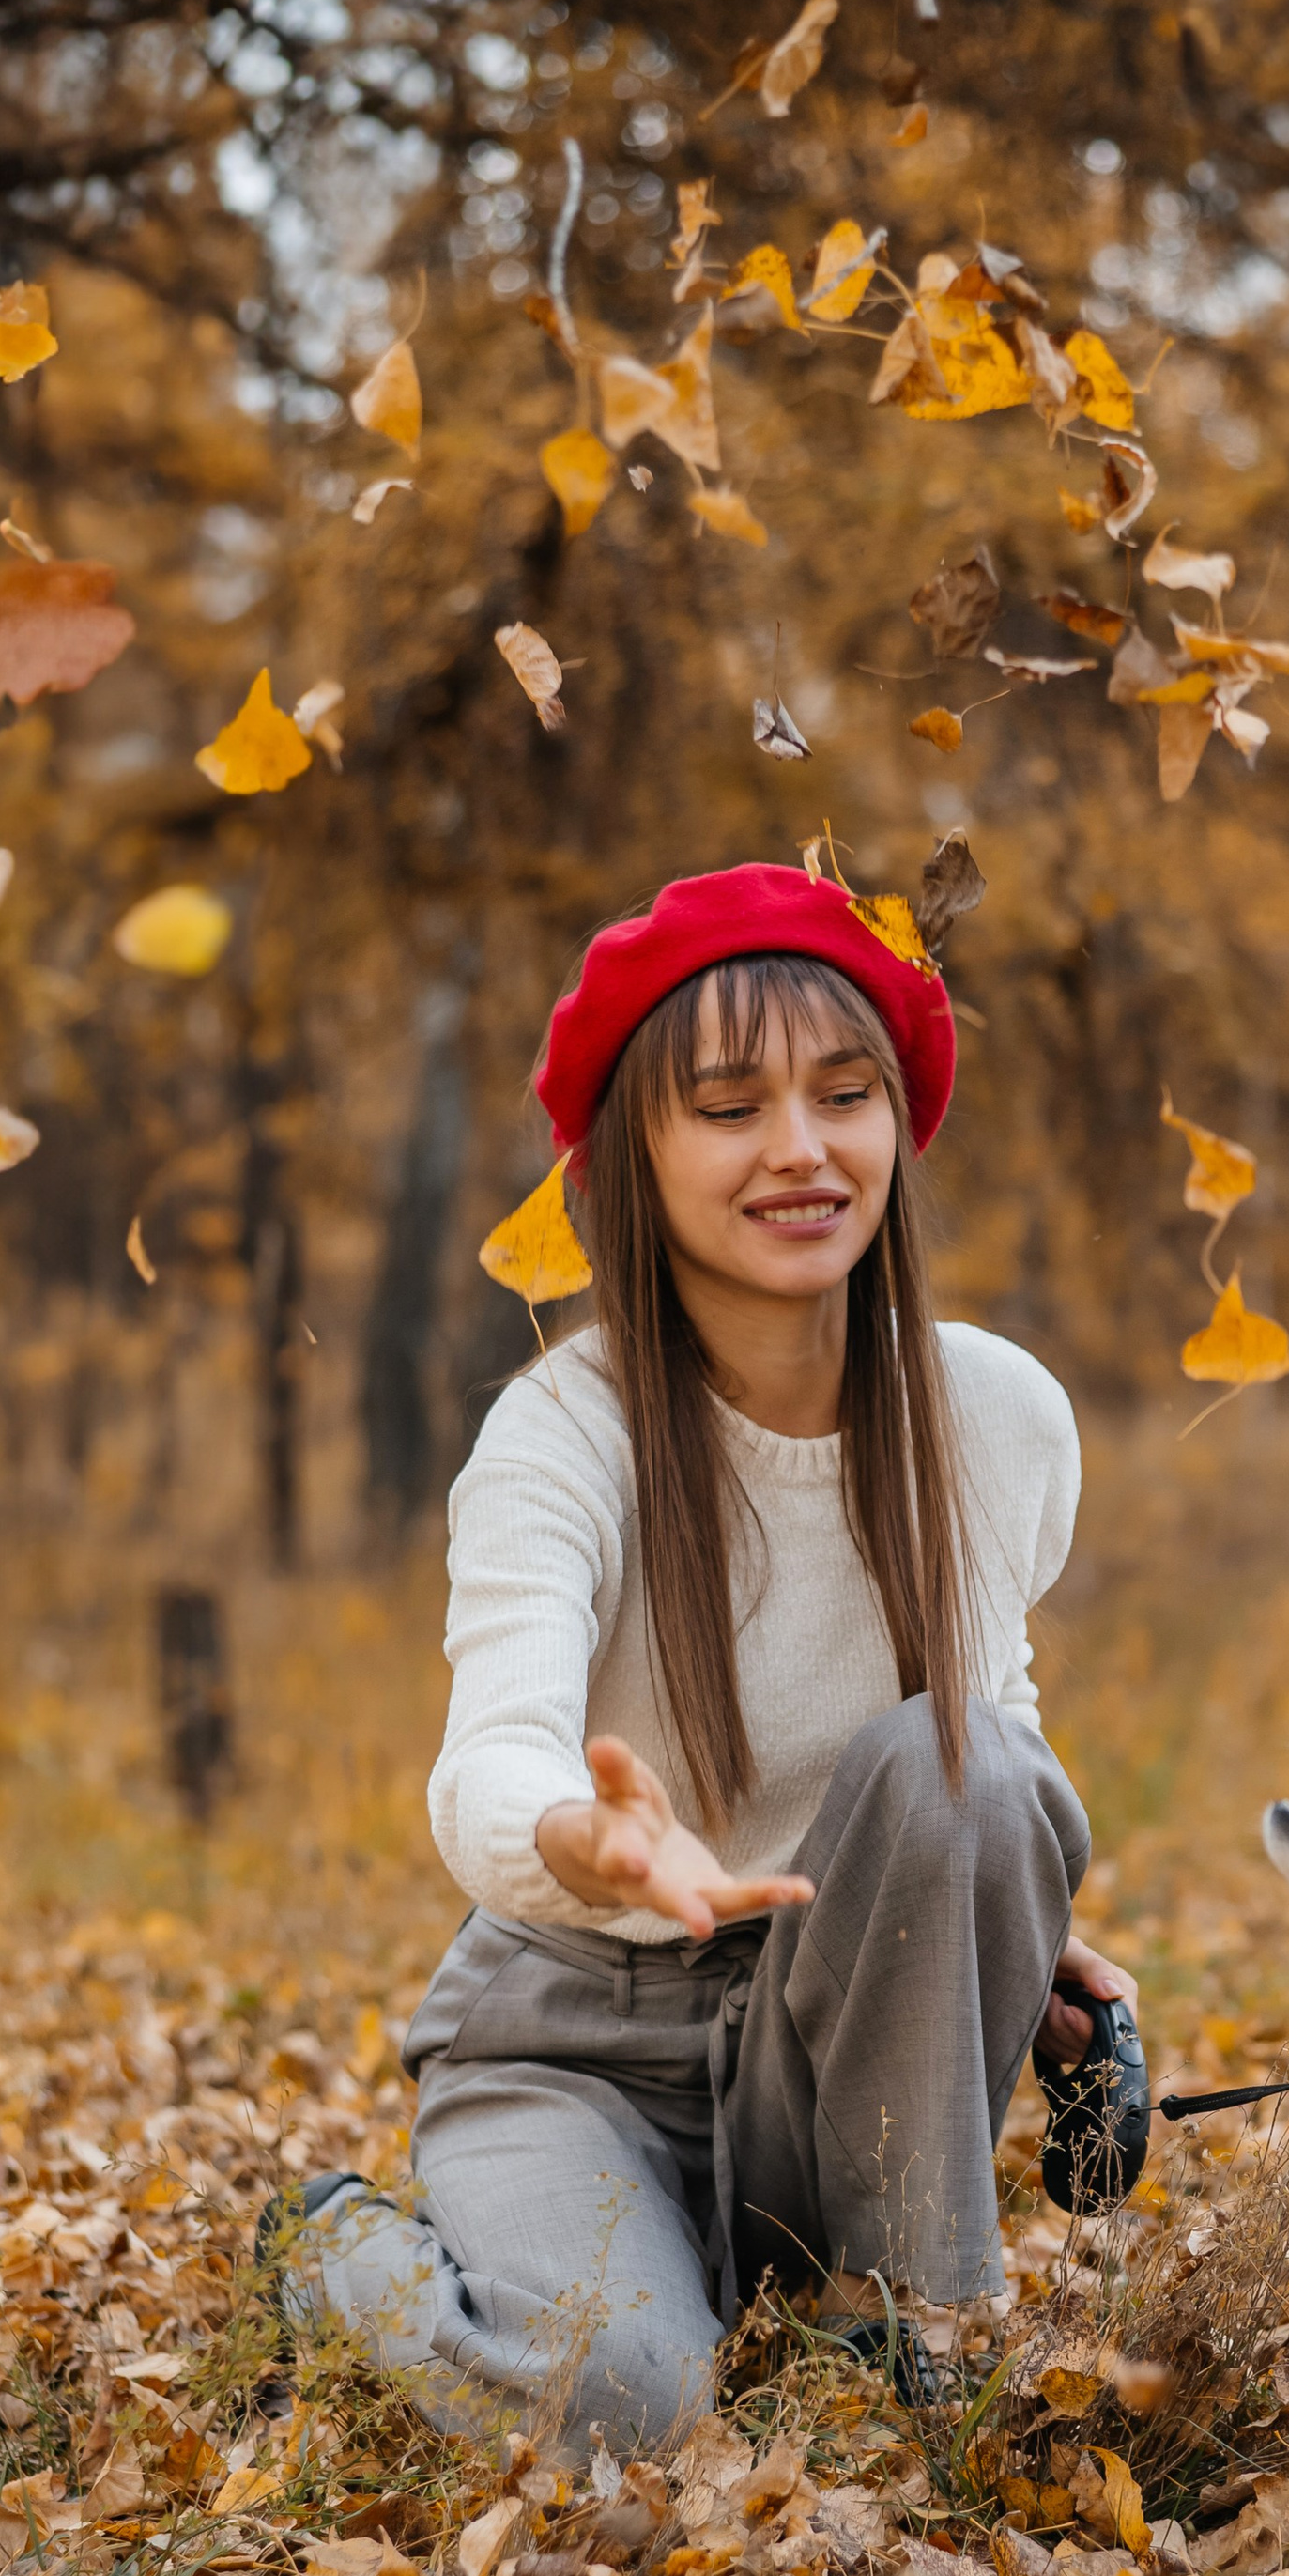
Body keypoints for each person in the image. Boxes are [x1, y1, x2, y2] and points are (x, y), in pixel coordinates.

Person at [281, 860, 1140, 2453]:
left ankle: (915, 2330)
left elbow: (985, 1726)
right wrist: (587, 1841)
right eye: (732, 1107)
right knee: (623, 2405)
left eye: (842, 1095)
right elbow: (493, 1756)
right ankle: (338, 2253)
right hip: (573, 2045)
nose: (802, 1150)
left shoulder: (997, 1415)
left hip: (825, 2043)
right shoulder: (560, 1435)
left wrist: (1016, 1932)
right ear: (637, 1156)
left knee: (976, 1763)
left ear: (900, 1123)